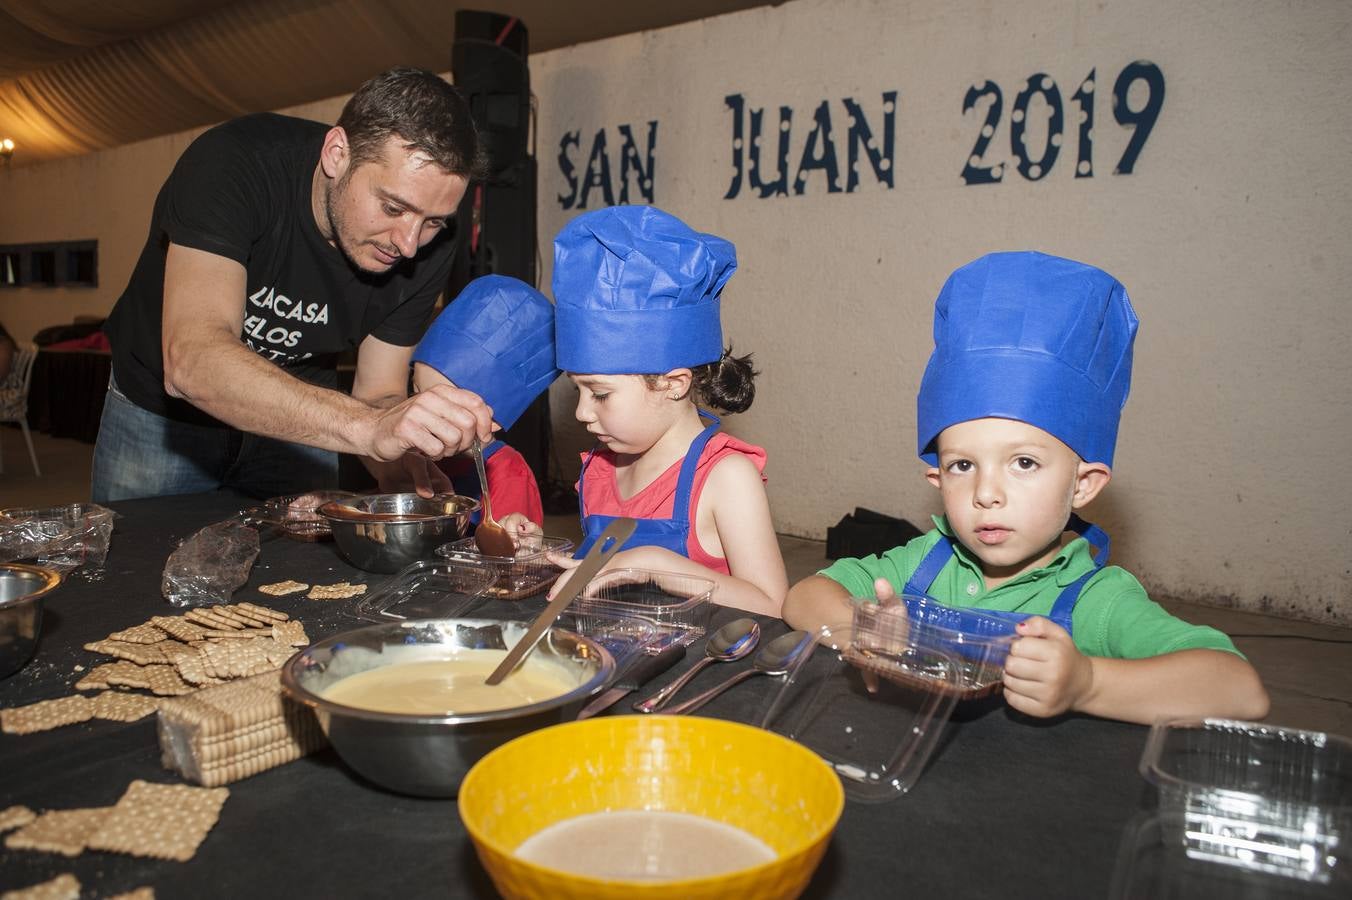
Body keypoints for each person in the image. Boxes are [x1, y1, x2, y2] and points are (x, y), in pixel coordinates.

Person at [782, 251, 1269, 725]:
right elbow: (804, 596)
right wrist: (862, 632)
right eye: (963, 465)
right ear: (936, 479)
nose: (986, 492)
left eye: (1023, 462)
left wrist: (1089, 683)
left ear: (1083, 485)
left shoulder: (1094, 600)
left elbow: (1239, 690)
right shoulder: (924, 563)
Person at [92, 66, 495, 503]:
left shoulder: (433, 240)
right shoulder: (233, 163)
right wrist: (368, 428)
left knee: (302, 568)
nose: (410, 244)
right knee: (136, 562)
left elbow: (378, 390)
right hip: (161, 415)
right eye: (393, 206)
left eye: (432, 221)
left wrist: (397, 456)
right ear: (337, 153)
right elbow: (193, 361)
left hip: (301, 417)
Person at [528, 205, 787, 616]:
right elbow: (599, 576)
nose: (580, 413)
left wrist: (658, 565)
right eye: (577, 389)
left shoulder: (725, 478)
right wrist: (535, 552)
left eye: (600, 393)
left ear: (673, 384)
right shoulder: (600, 469)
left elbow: (773, 606)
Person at [410, 274, 560, 529]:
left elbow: (506, 558)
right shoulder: (414, 461)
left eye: (440, 406)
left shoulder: (509, 475)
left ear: (490, 419)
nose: (419, 412)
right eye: (414, 393)